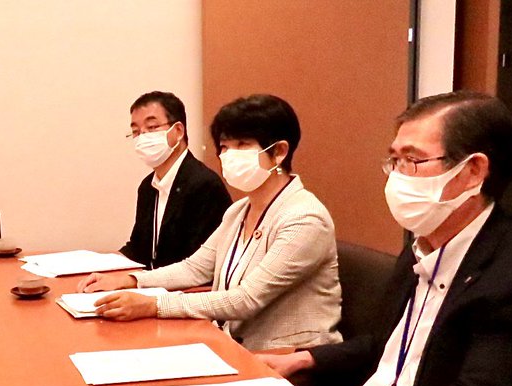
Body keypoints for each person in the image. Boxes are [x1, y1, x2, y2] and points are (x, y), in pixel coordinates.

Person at [238, 91, 512, 386]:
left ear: (473, 171)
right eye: (394, 160)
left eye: (412, 160)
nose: (397, 176)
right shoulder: (423, 245)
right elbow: (388, 346)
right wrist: (303, 359)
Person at [80, 94, 342, 351]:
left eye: (242, 145)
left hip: (285, 357)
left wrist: (153, 305)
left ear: (279, 152)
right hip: (232, 344)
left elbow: (246, 299)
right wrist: (132, 280)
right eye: (225, 147)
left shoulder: (304, 218)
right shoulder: (239, 211)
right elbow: (195, 268)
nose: (229, 156)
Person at [119, 91, 232, 269]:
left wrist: (140, 280)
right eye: (136, 132)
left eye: (152, 127)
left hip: (187, 284)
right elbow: (138, 248)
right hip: (152, 282)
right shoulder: (147, 187)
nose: (143, 137)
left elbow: (200, 265)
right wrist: (97, 265)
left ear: (178, 131)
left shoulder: (204, 185)